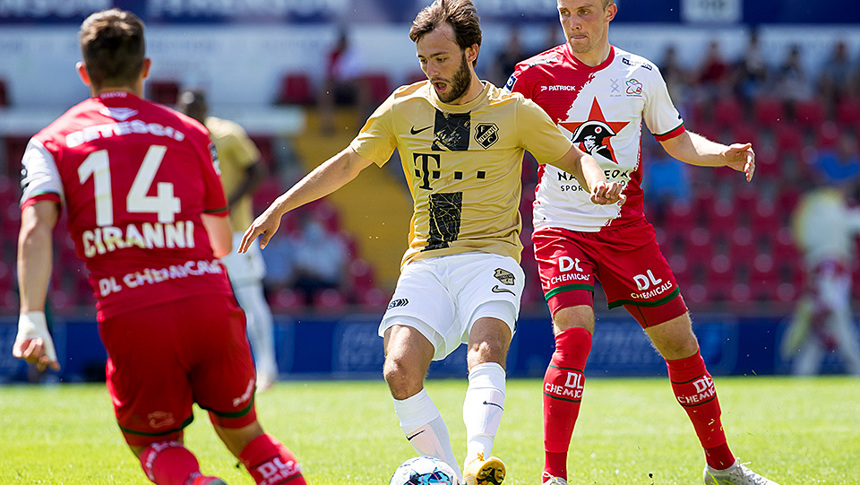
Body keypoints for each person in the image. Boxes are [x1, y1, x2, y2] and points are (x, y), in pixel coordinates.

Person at [239, 1, 624, 483]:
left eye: (441, 58)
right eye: (423, 60)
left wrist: (597, 178)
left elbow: (575, 155)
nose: (431, 70)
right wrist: (280, 206)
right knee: (398, 369)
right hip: (427, 259)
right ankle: (448, 474)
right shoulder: (405, 107)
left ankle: (477, 459)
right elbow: (347, 163)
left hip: (490, 256)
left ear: (472, 51)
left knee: (485, 348)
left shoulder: (513, 111)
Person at [11, 10, 305, 485]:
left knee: (155, 443)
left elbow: (34, 230)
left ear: (84, 73)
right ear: (145, 68)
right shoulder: (192, 133)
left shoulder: (50, 142)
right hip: (208, 303)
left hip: (133, 312)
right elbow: (220, 240)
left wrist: (31, 316)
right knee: (249, 436)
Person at [504, 1, 778, 484]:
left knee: (681, 345)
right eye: (565, 12)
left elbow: (676, 140)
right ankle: (554, 477)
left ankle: (722, 468)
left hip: (625, 232)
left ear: (610, 11)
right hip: (559, 228)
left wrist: (724, 155)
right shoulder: (531, 75)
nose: (573, 22)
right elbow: (498, 135)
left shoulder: (640, 74)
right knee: (574, 337)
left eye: (584, 11)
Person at [176, 89, 279, 392]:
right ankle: (203, 371)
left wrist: (227, 203)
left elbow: (257, 171)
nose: (189, 114)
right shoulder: (180, 138)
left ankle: (267, 370)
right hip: (198, 235)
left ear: (206, 108)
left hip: (236, 232)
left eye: (194, 108)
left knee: (249, 298)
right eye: (184, 109)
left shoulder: (227, 134)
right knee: (198, 303)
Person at [783, 164, 860, 376]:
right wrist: (828, 300)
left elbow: (802, 243)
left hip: (819, 273)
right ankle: (856, 371)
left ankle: (802, 376)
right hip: (829, 274)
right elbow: (854, 222)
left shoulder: (806, 208)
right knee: (839, 329)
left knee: (815, 332)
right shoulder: (831, 205)